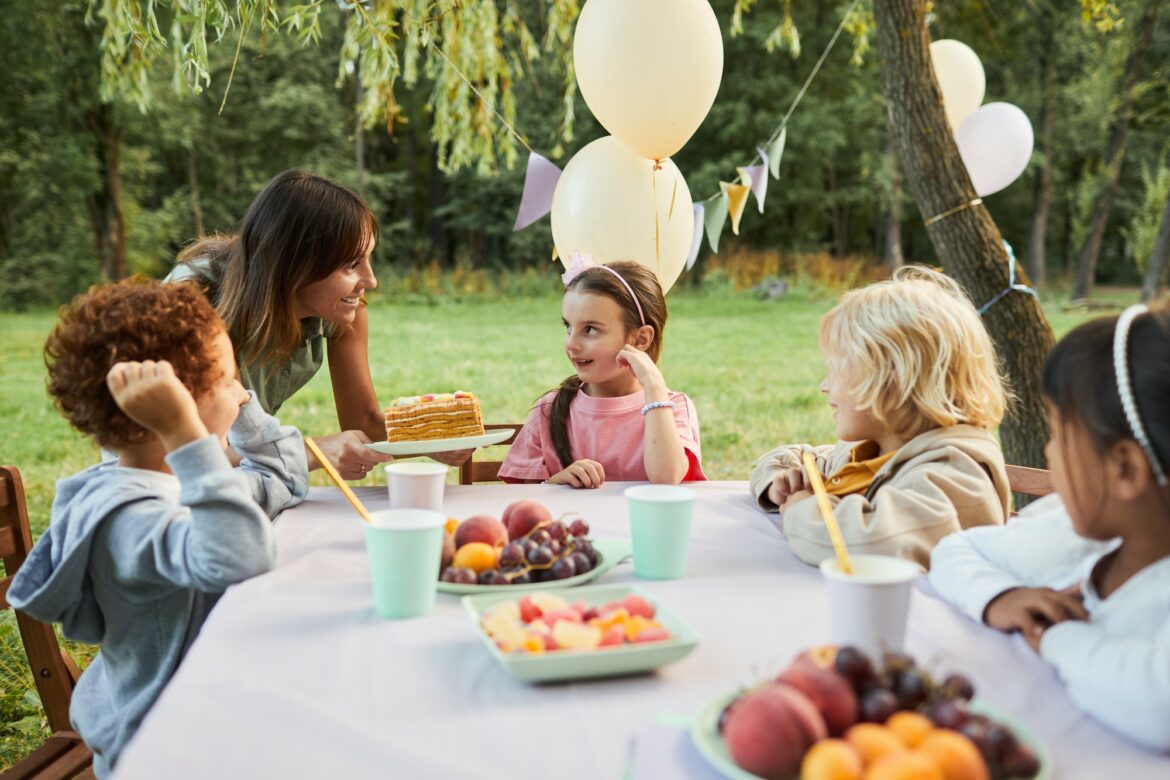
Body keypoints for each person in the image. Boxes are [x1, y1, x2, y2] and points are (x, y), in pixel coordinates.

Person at [8, 279, 308, 777]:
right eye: (231, 379)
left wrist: (226, 418)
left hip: (203, 714)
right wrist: (190, 434)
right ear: (171, 410)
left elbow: (284, 477)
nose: (242, 392)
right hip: (160, 745)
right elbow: (242, 554)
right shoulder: (128, 517)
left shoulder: (185, 485)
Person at [928, 305, 1170, 752]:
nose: (1048, 451)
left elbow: (1159, 706)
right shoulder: (1071, 534)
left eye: (1059, 433)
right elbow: (955, 551)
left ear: (1125, 468)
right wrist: (1001, 598)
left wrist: (1055, 636)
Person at [170, 169, 465, 480]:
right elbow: (199, 453)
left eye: (368, 259)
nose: (371, 281)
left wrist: (431, 438)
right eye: (352, 265)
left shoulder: (341, 310)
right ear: (297, 265)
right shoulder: (194, 306)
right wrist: (315, 451)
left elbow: (363, 422)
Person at [749, 266, 1010, 569]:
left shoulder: (954, 473)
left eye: (837, 371)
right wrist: (780, 482)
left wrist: (800, 508)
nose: (824, 386)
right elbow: (793, 457)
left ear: (891, 381)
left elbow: (867, 543)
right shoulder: (871, 451)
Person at [498, 255, 705, 487]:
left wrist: (655, 388)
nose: (571, 344)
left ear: (641, 338)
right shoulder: (548, 410)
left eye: (590, 329)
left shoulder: (673, 408)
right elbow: (522, 499)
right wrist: (557, 483)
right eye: (568, 326)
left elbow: (666, 479)